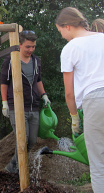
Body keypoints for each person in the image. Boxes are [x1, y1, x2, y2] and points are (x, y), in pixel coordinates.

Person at [56, 7, 104, 193]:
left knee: (98, 162)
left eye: (60, 31)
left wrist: (74, 118)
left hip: (95, 102)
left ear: (68, 26)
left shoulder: (70, 48)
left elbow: (70, 93)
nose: (62, 36)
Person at [0, 30, 51, 173]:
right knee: (23, 139)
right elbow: (3, 82)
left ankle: (13, 166)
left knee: (32, 140)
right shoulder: (10, 60)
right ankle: (16, 170)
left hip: (33, 106)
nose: (31, 50)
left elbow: (38, 80)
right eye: (28, 47)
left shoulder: (36, 61)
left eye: (33, 46)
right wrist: (4, 102)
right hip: (16, 106)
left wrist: (44, 95)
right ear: (20, 45)